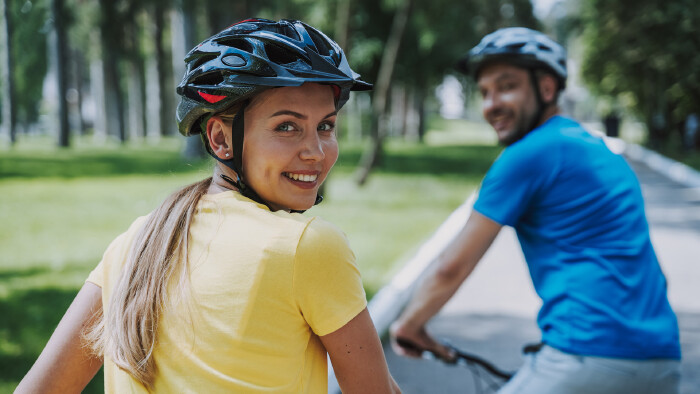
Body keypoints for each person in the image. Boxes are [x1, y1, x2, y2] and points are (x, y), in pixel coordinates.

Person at [17, 18, 400, 393]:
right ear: (220, 139)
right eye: (287, 126)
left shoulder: (134, 242)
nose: (316, 152)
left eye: (326, 126)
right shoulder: (308, 248)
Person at [390, 27, 681, 393]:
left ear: (546, 88)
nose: (491, 104)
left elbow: (452, 266)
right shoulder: (601, 152)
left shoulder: (527, 154)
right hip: (661, 360)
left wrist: (409, 326)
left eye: (506, 86)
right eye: (484, 92)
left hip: (586, 356)